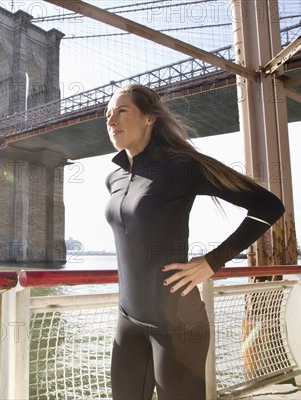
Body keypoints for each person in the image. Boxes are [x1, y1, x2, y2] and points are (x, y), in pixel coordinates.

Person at [104, 83, 285, 399]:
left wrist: (212, 261)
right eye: (107, 114)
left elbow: (268, 205)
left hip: (178, 325)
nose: (111, 121)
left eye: (121, 111)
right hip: (128, 322)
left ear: (149, 118)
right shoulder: (114, 177)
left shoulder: (182, 166)